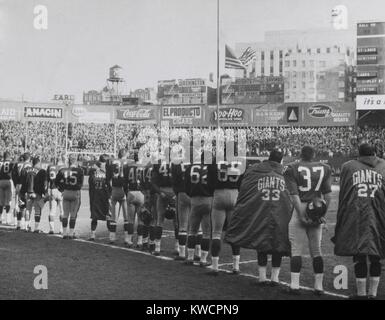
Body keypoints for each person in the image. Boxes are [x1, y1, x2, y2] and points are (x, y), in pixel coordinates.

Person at [225, 149, 292, 284]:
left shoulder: (254, 170)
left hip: (259, 210)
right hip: (280, 212)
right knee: (278, 244)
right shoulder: (286, 173)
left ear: (268, 158)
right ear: (280, 160)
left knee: (261, 242)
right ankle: (275, 278)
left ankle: (262, 277)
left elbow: (242, 187)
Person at [333, 143, 385, 299]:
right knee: (377, 255)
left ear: (358, 154)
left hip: (357, 215)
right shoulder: (383, 165)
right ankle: (373, 293)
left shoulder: (348, 166)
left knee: (359, 254)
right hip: (379, 214)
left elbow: (344, 193)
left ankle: (361, 292)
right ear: (375, 152)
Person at [284, 145, 332, 295]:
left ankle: (294, 286)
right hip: (317, 207)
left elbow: (294, 195)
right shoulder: (325, 168)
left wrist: (300, 214)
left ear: (300, 154)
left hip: (301, 206)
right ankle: (319, 287)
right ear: (314, 155)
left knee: (296, 250)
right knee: (316, 251)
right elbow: (328, 195)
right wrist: (321, 215)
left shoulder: (292, 167)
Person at [209, 158, 244, 275]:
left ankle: (215, 267)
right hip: (234, 193)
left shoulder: (216, 161)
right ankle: (236, 266)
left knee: (216, 233)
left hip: (219, 193)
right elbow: (242, 182)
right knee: (234, 232)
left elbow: (210, 181)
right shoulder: (239, 161)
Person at [184, 151, 216, 267]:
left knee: (192, 231)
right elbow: (214, 184)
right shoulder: (212, 168)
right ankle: (203, 259)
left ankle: (190, 257)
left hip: (194, 200)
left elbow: (186, 186)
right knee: (207, 233)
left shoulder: (191, 168)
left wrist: (191, 195)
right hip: (208, 200)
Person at [151, 149, 177, 256]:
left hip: (162, 191)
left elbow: (153, 181)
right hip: (174, 191)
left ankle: (157, 248)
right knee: (177, 222)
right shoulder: (177, 163)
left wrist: (159, 192)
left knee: (159, 220)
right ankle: (178, 248)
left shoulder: (158, 164)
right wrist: (177, 193)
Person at [55, 155, 84, 239]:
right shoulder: (80, 170)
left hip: (66, 192)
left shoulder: (62, 170)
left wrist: (62, 190)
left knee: (65, 214)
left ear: (68, 162)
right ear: (76, 162)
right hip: (75, 193)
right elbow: (81, 184)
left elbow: (56, 182)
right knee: (73, 214)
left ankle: (64, 233)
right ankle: (71, 233)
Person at [106, 149, 129, 244]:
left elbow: (108, 179)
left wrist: (111, 189)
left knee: (114, 217)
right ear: (125, 154)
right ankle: (127, 239)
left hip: (115, 189)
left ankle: (112, 237)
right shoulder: (128, 162)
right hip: (124, 190)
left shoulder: (112, 162)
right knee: (126, 217)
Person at [88, 154, 111, 241]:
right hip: (105, 196)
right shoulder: (108, 171)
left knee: (94, 216)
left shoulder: (93, 170)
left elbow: (90, 182)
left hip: (95, 195)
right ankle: (111, 236)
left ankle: (92, 235)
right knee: (108, 215)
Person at [125, 158, 145, 248]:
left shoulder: (128, 167)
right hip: (141, 193)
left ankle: (129, 240)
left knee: (130, 219)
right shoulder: (143, 167)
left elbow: (124, 181)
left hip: (131, 192)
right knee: (141, 219)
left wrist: (127, 193)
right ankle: (140, 241)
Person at [25, 157, 47, 233]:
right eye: (39, 163)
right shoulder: (41, 171)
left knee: (28, 209)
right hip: (37, 193)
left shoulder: (28, 170)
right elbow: (42, 183)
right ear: (37, 163)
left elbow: (25, 182)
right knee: (37, 210)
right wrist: (44, 193)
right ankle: (36, 228)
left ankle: (26, 227)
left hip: (28, 192)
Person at [47, 159, 66, 234]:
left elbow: (47, 180)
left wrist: (46, 191)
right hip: (61, 191)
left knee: (52, 211)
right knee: (62, 211)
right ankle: (61, 229)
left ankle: (51, 229)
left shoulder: (51, 167)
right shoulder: (63, 168)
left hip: (53, 189)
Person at [0, 151, 16, 224]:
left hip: (1, 181)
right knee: (8, 201)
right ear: (9, 156)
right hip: (8, 181)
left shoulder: (0, 163)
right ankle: (8, 219)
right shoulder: (11, 163)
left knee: (1, 202)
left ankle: (0, 218)